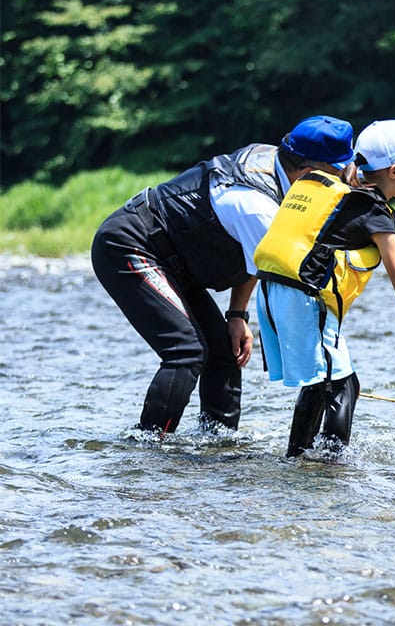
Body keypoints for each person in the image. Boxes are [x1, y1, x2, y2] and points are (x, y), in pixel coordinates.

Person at [91, 115, 357, 435]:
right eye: (338, 173)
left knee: (223, 352)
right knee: (186, 352)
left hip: (174, 259)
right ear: (310, 173)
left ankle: (217, 448)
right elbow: (287, 270)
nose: (343, 182)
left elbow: (255, 256)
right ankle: (148, 447)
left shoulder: (278, 164)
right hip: (130, 245)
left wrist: (237, 315)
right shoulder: (256, 206)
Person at [253, 119, 395, 457]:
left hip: (270, 291)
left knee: (323, 382)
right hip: (303, 299)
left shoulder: (338, 190)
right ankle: (329, 466)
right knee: (343, 386)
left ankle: (299, 458)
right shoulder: (375, 213)